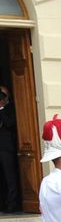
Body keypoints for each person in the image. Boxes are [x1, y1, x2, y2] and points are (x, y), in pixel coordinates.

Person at [0, 85, 19, 213]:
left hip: (6, 148)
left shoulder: (12, 109)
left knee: (10, 178)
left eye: (3, 95)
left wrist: (1, 107)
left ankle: (12, 205)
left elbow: (9, 123)